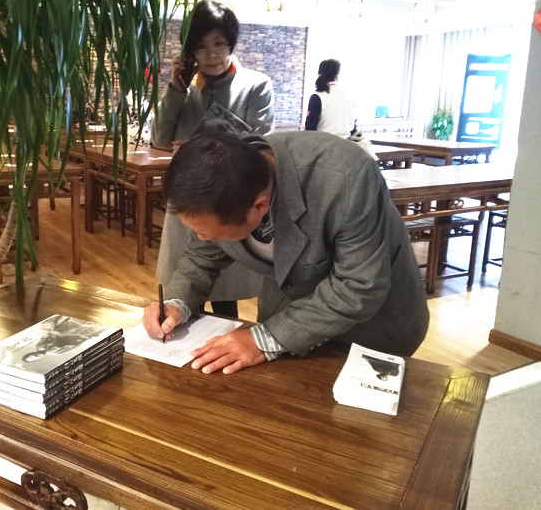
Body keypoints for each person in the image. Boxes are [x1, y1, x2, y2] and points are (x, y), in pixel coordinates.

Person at [142, 131, 429, 375]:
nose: (202, 239)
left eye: (212, 235)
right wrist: (177, 304)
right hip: (287, 316)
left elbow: (358, 286)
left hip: (373, 327)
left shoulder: (346, 178)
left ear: (259, 206)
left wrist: (263, 339)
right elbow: (201, 257)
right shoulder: (219, 185)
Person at [151, 0, 275, 318]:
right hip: (188, 201)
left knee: (224, 297)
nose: (212, 54)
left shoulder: (256, 85)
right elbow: (160, 139)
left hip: (229, 200)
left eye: (219, 44)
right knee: (184, 288)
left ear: (231, 44)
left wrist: (200, 149)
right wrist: (176, 89)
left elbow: (264, 145)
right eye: (202, 47)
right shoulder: (187, 90)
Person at [305, 58, 357, 138]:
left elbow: (310, 127)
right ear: (338, 74)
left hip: (324, 143)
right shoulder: (349, 96)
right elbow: (354, 128)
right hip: (347, 142)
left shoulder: (317, 96)